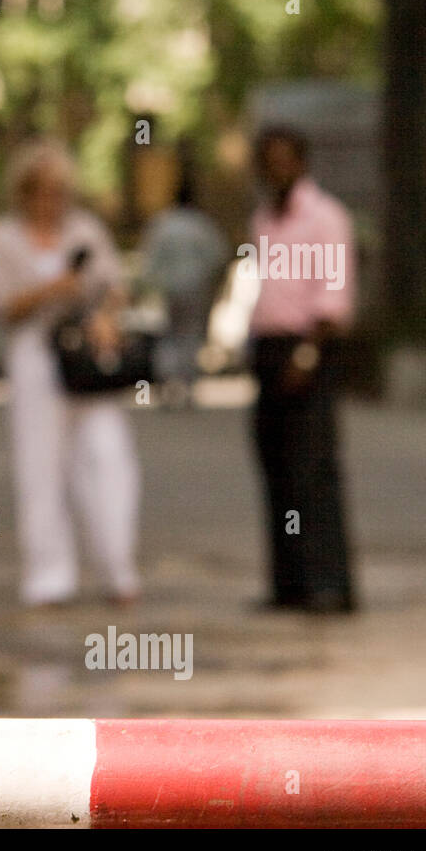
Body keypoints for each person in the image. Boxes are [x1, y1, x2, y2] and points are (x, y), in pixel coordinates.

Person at [0, 140, 141, 608]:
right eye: (42, 191)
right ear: (25, 192)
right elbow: (3, 306)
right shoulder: (2, 237)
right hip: (35, 356)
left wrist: (106, 315)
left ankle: (119, 568)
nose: (52, 200)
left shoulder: (85, 230)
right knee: (40, 466)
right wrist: (55, 289)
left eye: (60, 191)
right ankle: (49, 575)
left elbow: (116, 285)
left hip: (87, 361)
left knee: (108, 457)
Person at [247, 126, 356, 613]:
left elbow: (333, 298)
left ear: (302, 162)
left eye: (286, 160)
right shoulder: (263, 221)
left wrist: (307, 354)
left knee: (313, 469)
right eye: (269, 161)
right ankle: (289, 583)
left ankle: (329, 583)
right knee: (277, 469)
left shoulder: (326, 217)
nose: (278, 170)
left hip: (310, 348)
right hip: (268, 350)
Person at [140, 176, 229, 407]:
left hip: (171, 290)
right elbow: (218, 257)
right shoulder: (201, 225)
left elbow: (150, 262)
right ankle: (187, 386)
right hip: (195, 290)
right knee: (190, 338)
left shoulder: (163, 224)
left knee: (169, 337)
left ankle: (169, 382)